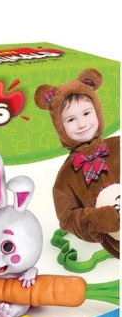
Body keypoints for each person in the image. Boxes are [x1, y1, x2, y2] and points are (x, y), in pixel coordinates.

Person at [35, 68, 120, 259]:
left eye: (87, 113)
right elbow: (67, 218)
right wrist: (96, 220)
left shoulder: (118, 146)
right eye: (71, 119)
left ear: (97, 110)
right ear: (59, 125)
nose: (82, 124)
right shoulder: (66, 177)